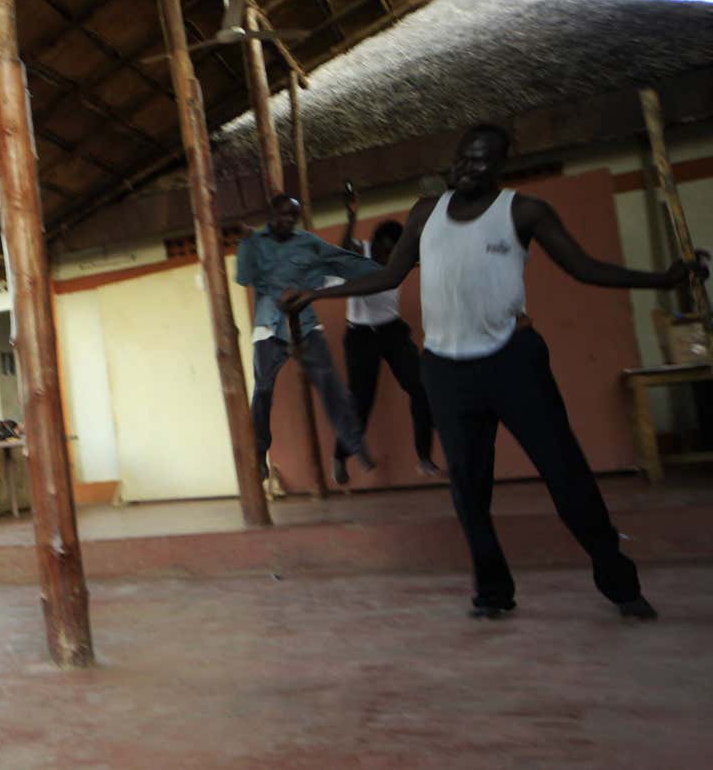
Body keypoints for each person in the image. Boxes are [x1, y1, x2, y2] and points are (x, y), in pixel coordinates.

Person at [284, 124, 707, 620]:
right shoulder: (426, 214)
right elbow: (389, 274)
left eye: (481, 162)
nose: (468, 169)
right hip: (445, 370)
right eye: (462, 159)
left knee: (565, 474)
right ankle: (492, 592)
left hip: (512, 361)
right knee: (468, 489)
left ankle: (619, 583)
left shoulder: (523, 211)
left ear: (502, 165)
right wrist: (317, 294)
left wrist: (664, 278)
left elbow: (585, 268)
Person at [235, 194, 378, 490]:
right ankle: (260, 451)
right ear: (271, 213)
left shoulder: (307, 243)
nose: (288, 221)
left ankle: (354, 442)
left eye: (293, 216)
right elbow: (243, 277)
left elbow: (341, 260)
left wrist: (385, 272)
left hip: (305, 323)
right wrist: (246, 243)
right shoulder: (255, 241)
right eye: (283, 214)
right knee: (262, 390)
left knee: (330, 383)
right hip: (269, 326)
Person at [338, 189, 439, 477]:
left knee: (421, 387)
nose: (387, 258)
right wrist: (351, 216)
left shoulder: (403, 256)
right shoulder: (363, 250)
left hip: (391, 330)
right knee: (361, 399)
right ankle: (341, 456)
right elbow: (345, 245)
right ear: (376, 245)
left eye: (393, 253)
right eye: (383, 252)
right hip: (361, 335)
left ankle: (424, 457)